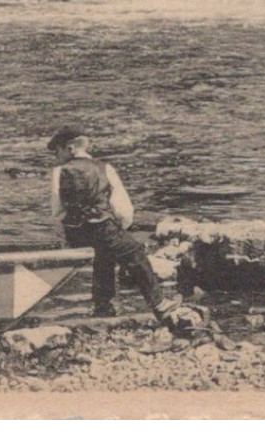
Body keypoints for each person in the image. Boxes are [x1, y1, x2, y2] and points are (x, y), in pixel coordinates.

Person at [42, 125, 204, 334]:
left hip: (76, 232)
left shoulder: (58, 172)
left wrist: (67, 232)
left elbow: (57, 210)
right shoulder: (104, 168)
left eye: (58, 151)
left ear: (70, 147)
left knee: (105, 256)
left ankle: (104, 307)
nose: (57, 157)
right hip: (101, 227)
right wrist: (121, 226)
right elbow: (122, 208)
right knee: (134, 252)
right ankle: (160, 303)